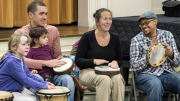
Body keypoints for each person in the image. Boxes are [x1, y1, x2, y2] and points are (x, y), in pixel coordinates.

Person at [15, 1, 75, 101]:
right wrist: (45, 63)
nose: (45, 17)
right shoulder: (21, 33)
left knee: (67, 79)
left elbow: (58, 56)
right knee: (37, 78)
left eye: (46, 14)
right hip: (33, 73)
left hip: (52, 74)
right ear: (31, 15)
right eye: (41, 13)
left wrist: (64, 63)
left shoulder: (52, 30)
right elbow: (19, 60)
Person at [75, 8, 125, 101]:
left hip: (109, 71)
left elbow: (119, 60)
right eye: (105, 19)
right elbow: (78, 60)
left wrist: (115, 62)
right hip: (88, 71)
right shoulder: (87, 36)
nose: (108, 22)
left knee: (118, 78)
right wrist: (94, 61)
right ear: (97, 21)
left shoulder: (115, 38)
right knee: (104, 80)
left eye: (110, 19)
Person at [130, 11, 180, 101]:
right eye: (141, 24)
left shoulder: (168, 35)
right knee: (155, 84)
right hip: (145, 75)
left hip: (167, 74)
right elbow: (134, 66)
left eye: (146, 23)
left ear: (155, 22)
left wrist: (172, 55)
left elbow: (177, 63)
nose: (144, 26)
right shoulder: (136, 40)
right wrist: (149, 55)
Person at [0, 32, 55, 101]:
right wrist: (44, 86)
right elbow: (24, 79)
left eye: (28, 44)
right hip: (6, 92)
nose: (27, 47)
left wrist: (44, 83)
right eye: (23, 44)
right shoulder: (11, 62)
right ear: (14, 47)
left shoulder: (20, 58)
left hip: (16, 89)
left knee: (36, 97)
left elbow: (28, 73)